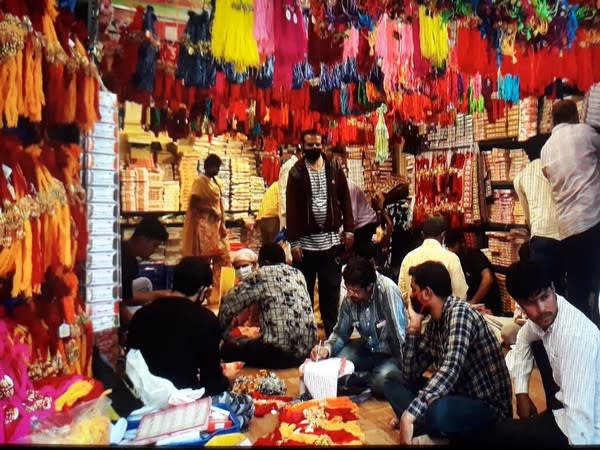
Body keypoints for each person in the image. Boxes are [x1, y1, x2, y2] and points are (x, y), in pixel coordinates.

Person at [470, 259, 600, 446]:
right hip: (563, 412)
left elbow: (581, 425)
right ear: (520, 305)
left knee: (499, 436)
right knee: (496, 432)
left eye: (544, 297)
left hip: (589, 430)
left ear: (553, 289)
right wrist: (521, 392)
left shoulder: (575, 335)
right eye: (531, 303)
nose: (541, 309)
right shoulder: (547, 318)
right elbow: (523, 336)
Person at [383, 261, 512, 445]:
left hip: (487, 407)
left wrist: (409, 414)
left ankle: (436, 433)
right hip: (456, 398)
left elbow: (449, 369)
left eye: (414, 289)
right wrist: (413, 328)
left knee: (438, 412)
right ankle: (437, 434)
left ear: (427, 293)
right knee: (392, 379)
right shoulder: (435, 321)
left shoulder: (460, 314)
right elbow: (410, 373)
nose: (411, 296)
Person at [126, 257, 229, 395]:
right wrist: (227, 380)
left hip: (142, 398)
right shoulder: (205, 319)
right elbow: (211, 383)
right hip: (183, 399)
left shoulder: (141, 315)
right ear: (203, 290)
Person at [286, 129, 354, 336]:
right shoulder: (296, 172)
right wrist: (294, 242)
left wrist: (349, 230)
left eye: (318, 145)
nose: (315, 148)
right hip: (306, 246)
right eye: (310, 145)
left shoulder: (333, 167)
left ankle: (333, 337)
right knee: (304, 292)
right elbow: (292, 208)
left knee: (330, 292)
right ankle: (305, 336)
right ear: (303, 147)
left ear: (322, 145)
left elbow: (345, 200)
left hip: (331, 243)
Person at [311, 256, 407, 398]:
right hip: (368, 349)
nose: (350, 295)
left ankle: (362, 378)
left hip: (391, 353)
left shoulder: (387, 291)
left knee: (382, 383)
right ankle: (365, 377)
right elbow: (340, 333)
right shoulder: (350, 299)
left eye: (355, 291)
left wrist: (404, 370)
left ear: (369, 287)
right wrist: (326, 349)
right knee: (336, 363)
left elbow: (400, 337)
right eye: (347, 289)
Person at [541, 99, 600, 323]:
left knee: (578, 288)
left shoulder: (545, 150)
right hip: (592, 220)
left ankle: (582, 337)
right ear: (575, 116)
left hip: (567, 229)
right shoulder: (584, 133)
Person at [218, 243, 318, 369]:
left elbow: (228, 304)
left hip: (277, 355)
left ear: (263, 261)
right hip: (307, 352)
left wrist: (224, 335)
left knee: (227, 349)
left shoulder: (261, 274)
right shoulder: (298, 274)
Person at [513, 133, 565, 295]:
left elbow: (527, 214)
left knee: (542, 288)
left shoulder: (520, 177)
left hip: (540, 237)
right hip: (562, 235)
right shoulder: (556, 168)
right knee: (562, 288)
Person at [181, 153, 231, 305]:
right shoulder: (200, 181)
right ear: (209, 166)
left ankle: (220, 293)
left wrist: (222, 223)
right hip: (204, 227)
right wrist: (210, 209)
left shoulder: (214, 182)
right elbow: (194, 203)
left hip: (215, 227)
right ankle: (201, 294)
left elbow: (219, 205)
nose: (217, 170)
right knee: (202, 261)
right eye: (215, 167)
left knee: (224, 257)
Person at [397, 214, 468, 306]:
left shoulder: (408, 258)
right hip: (442, 318)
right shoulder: (451, 259)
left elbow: (402, 295)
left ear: (422, 234)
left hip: (413, 317)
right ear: (443, 235)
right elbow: (460, 296)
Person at [119, 216, 170, 330]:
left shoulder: (123, 248)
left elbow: (125, 295)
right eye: (154, 245)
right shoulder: (127, 260)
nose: (154, 251)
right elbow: (123, 300)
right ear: (143, 239)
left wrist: (157, 295)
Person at [444, 229, 502, 315]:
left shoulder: (474, 255)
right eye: (448, 247)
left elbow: (488, 279)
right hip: (474, 307)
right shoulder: (457, 260)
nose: (450, 250)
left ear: (462, 243)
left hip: (489, 307)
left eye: (452, 246)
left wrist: (473, 301)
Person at [346, 178, 379, 258]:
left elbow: (353, 218)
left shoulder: (349, 188)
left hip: (365, 224)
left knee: (362, 255)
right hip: (358, 225)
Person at [278, 144, 302, 230]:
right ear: (301, 154)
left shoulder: (298, 165)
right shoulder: (290, 166)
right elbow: (283, 189)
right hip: (288, 211)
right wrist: (285, 211)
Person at [256, 180, 280, 245]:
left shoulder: (274, 185)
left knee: (266, 247)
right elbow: (282, 205)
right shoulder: (281, 186)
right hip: (272, 219)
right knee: (273, 247)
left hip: (263, 219)